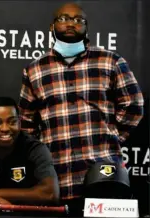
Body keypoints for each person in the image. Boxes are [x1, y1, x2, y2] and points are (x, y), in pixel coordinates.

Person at [18, 2, 144, 206]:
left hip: (104, 172)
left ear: (86, 27)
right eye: (64, 18)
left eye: (78, 20)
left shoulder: (110, 61)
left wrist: (110, 136)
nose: (71, 24)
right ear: (52, 26)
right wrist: (42, 156)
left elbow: (134, 106)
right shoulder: (34, 69)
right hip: (56, 174)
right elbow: (26, 122)